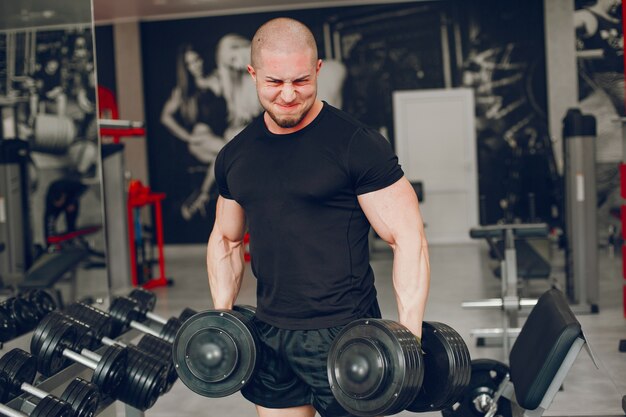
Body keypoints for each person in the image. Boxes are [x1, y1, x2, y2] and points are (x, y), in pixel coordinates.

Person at [207, 17, 430, 417]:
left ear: (318, 70)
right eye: (275, 82)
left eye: (302, 80)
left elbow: (407, 237)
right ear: (252, 74)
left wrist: (408, 336)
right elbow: (226, 239)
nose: (289, 95)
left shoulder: (357, 144)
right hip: (269, 332)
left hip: (346, 333)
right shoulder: (236, 155)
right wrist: (223, 318)